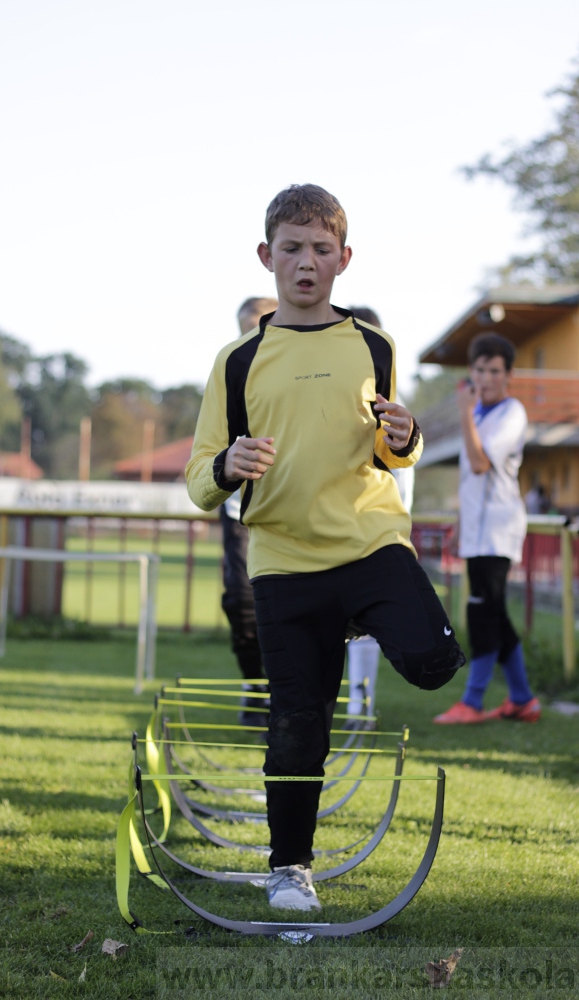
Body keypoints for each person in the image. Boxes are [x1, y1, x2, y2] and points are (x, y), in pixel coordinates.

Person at [186, 183, 465, 911]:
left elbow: (392, 447)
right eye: (291, 248)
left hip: (370, 544)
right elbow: (198, 479)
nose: (305, 262)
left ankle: (353, 617)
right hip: (283, 561)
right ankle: (289, 870)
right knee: (297, 724)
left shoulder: (374, 345)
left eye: (320, 248)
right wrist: (228, 465)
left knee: (434, 664)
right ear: (266, 256)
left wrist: (405, 436)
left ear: (344, 258)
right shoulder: (237, 361)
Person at [434, 333, 540, 725]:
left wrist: (464, 412)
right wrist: (461, 524)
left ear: (508, 375)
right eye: (480, 370)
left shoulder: (511, 413)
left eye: (495, 371)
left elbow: (480, 464)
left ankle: (473, 702)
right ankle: (523, 699)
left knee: (482, 614)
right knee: (494, 614)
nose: (486, 378)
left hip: (497, 530)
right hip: (477, 532)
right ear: (471, 371)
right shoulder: (479, 414)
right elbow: (471, 481)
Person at [345, 305, 415, 720]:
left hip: (375, 534)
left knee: (367, 625)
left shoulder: (392, 408)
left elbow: (401, 479)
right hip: (328, 533)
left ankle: (361, 704)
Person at [219, 297, 278, 729]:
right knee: (239, 601)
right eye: (245, 330)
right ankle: (254, 684)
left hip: (288, 510)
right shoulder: (228, 373)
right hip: (240, 510)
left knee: (286, 607)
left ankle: (287, 691)